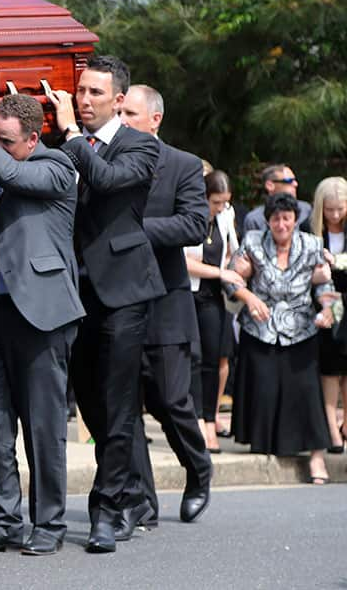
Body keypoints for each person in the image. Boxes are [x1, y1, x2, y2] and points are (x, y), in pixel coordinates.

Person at [0, 92, 82, 556]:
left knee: (44, 427)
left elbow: (11, 173)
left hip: (41, 314)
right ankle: (2, 519)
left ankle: (49, 523)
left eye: (6, 141)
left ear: (32, 138)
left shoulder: (58, 166)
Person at [49, 55, 164, 553]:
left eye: (95, 92)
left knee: (118, 404)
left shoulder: (140, 147)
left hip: (124, 293)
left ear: (118, 99)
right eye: (80, 91)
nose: (84, 100)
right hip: (73, 293)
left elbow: (106, 179)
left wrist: (73, 136)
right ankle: (132, 491)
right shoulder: (63, 142)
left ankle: (107, 509)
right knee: (91, 404)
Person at [118, 84, 212, 532]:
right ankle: (141, 502)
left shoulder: (182, 165)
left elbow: (195, 224)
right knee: (125, 405)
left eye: (132, 113)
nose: (124, 119)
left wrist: (134, 230)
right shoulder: (108, 162)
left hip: (166, 300)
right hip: (118, 298)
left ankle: (199, 469)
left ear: (155, 119)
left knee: (172, 400)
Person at [225, 193, 335, 484]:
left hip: (301, 327)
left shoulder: (312, 245)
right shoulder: (251, 241)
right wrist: (247, 296)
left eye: (287, 218)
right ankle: (268, 445)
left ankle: (317, 458)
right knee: (264, 386)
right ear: (267, 221)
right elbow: (230, 279)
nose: (281, 224)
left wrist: (327, 310)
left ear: (295, 219)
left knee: (307, 392)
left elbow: (327, 288)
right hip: (260, 326)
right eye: (275, 219)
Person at [185, 171, 242, 453]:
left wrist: (232, 270)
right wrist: (220, 271)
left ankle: (210, 418)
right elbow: (184, 262)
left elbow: (234, 251)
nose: (220, 207)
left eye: (225, 202)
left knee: (212, 357)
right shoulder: (190, 213)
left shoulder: (225, 217)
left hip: (212, 295)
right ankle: (195, 419)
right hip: (187, 293)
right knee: (192, 358)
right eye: (216, 202)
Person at [309, 176, 347, 453]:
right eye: (329, 209)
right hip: (322, 309)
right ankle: (332, 430)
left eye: (340, 209)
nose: (334, 215)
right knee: (330, 371)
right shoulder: (309, 232)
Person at [242, 164, 312, 233]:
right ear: (269, 185)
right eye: (289, 181)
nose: (295, 184)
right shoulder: (254, 219)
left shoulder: (306, 210)